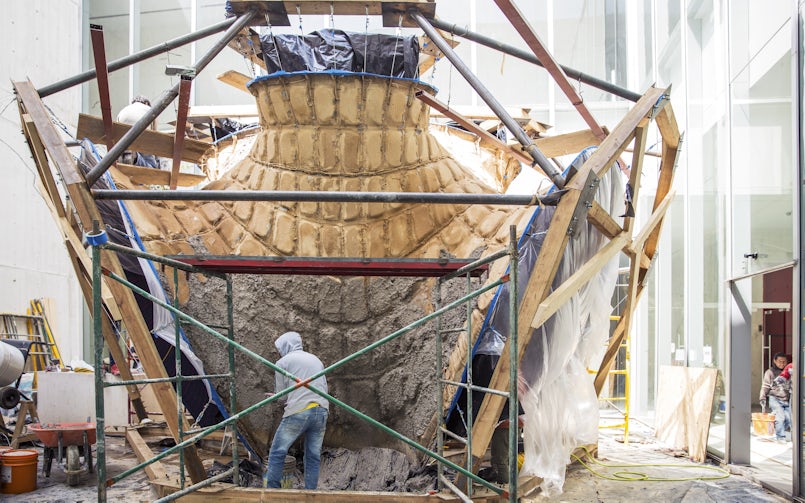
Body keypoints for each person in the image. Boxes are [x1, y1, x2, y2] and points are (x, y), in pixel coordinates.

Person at [264, 331, 329, 489]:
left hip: (299, 411)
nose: (278, 352)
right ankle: (310, 494)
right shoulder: (316, 359)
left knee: (277, 452)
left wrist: (279, 397)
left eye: (279, 348)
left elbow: (281, 396)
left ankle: (273, 493)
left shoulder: (282, 362)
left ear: (285, 346)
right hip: (321, 410)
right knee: (313, 456)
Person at [116, 95, 159, 169]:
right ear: (146, 103)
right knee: (152, 167)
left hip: (124, 140)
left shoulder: (123, 110)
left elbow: (116, 132)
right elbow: (154, 136)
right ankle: (135, 157)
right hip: (142, 135)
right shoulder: (150, 109)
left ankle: (127, 157)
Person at [759, 352, 791, 442]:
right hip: (774, 398)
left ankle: (776, 428)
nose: (782, 364)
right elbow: (765, 386)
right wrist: (762, 397)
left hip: (786, 399)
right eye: (780, 361)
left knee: (788, 419)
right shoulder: (770, 372)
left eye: (784, 362)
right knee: (780, 417)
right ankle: (780, 437)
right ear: (775, 361)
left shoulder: (789, 372)